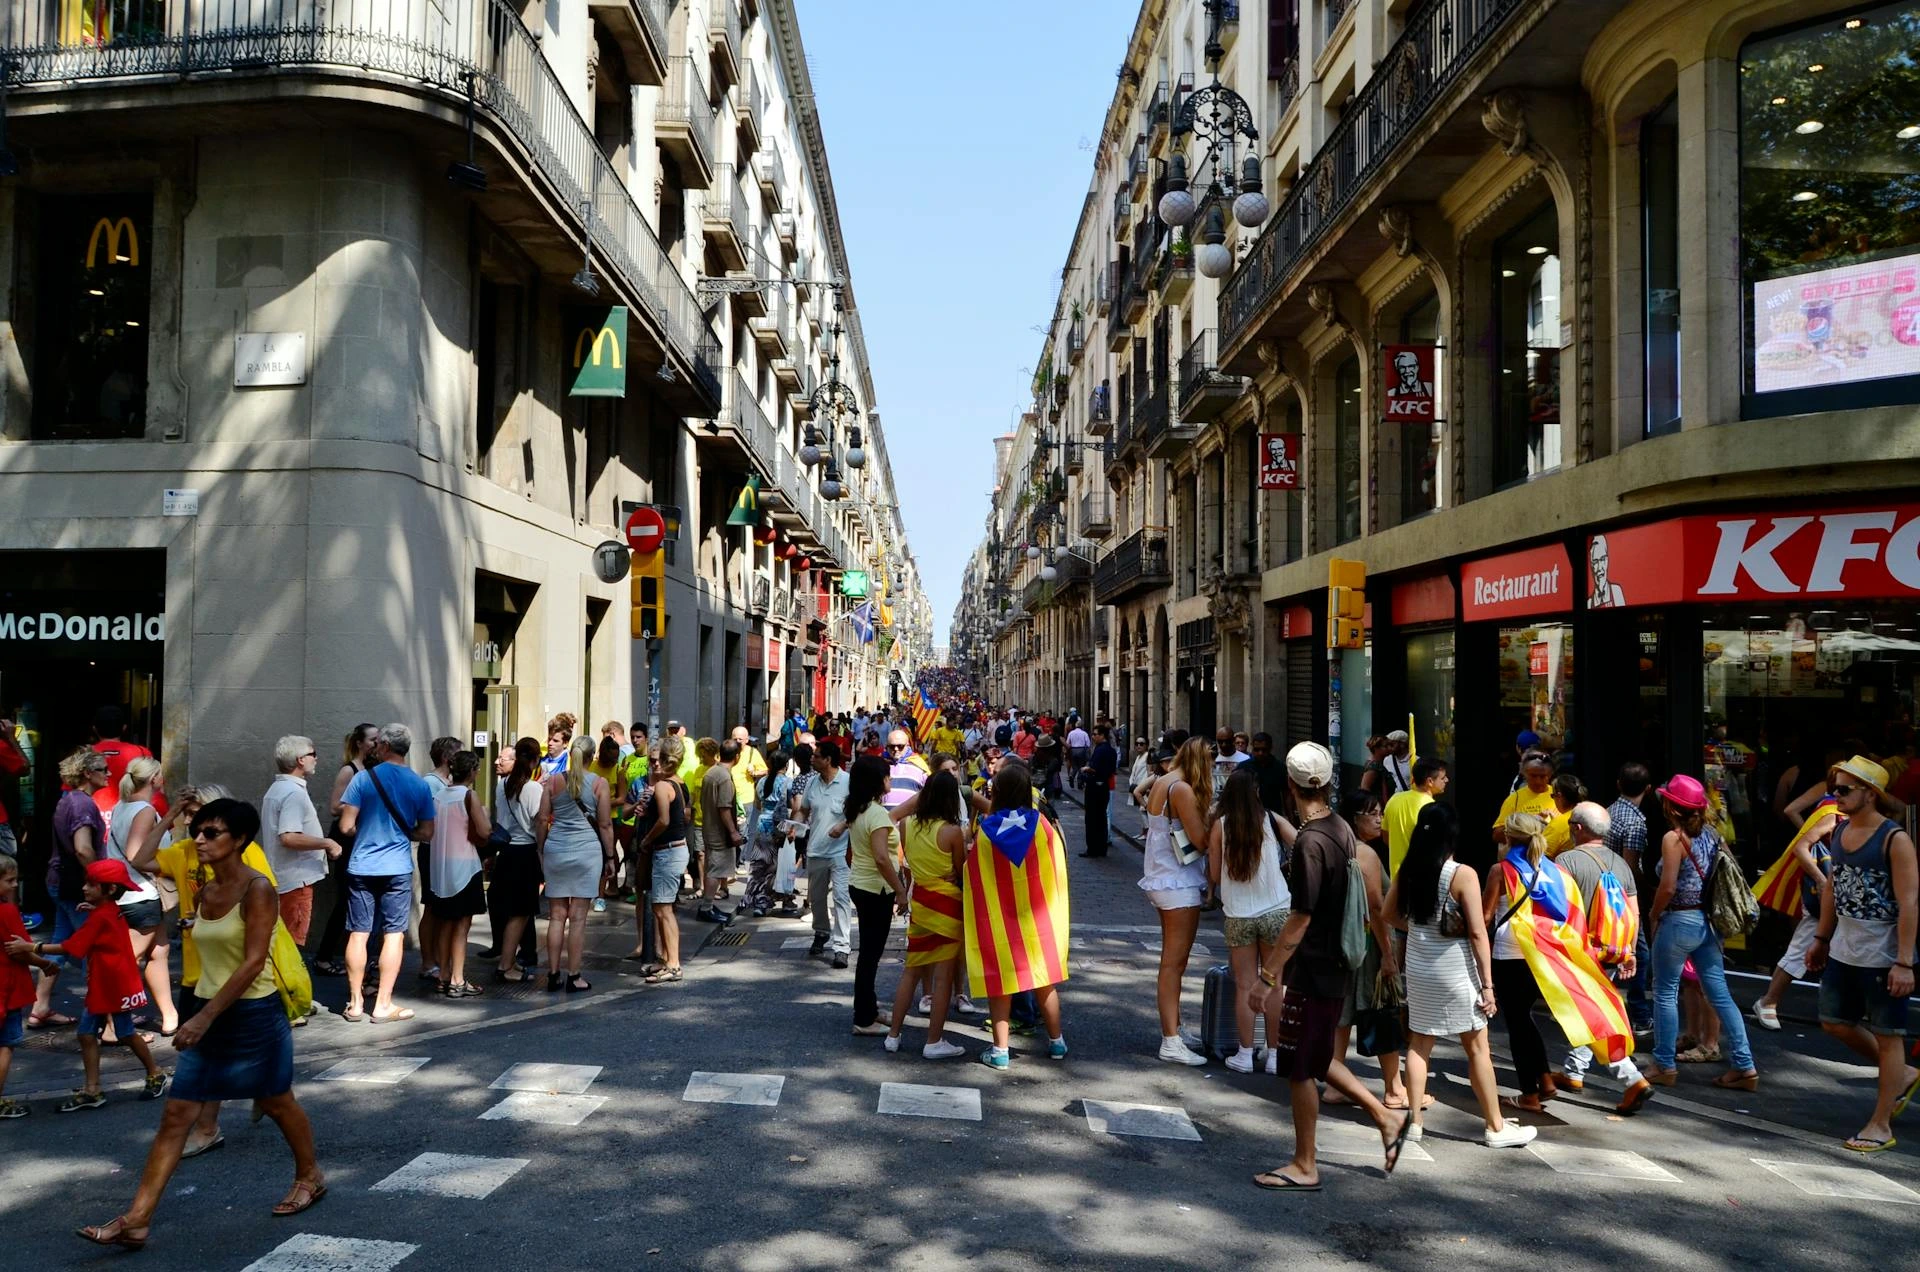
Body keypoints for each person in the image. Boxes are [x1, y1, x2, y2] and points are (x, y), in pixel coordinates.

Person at [69, 800, 326, 1251]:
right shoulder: (206, 889)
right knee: (176, 1115)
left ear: (239, 840)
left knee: (276, 1101)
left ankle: (310, 1175)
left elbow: (253, 962)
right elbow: (148, 868)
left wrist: (204, 1017)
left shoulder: (257, 889)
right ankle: (137, 1219)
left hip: (252, 1014)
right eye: (198, 832)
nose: (200, 840)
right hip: (208, 1009)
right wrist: (199, 1009)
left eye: (211, 833)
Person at [1249, 742, 1409, 1191]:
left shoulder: (1310, 841)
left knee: (1300, 1067)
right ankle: (1384, 1117)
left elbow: (1300, 918)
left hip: (1315, 967)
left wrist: (1267, 977)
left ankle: (1305, 1164)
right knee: (1317, 1054)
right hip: (1334, 963)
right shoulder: (1338, 826)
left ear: (1290, 784)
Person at [1383, 803, 1533, 1146]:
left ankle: (1415, 1123)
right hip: (1455, 968)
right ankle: (1495, 1126)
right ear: (1451, 836)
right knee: (1478, 1048)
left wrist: (1418, 929)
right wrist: (1488, 985)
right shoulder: (1462, 874)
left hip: (1419, 967)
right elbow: (1478, 933)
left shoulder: (1408, 869)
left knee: (1419, 1044)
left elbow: (1388, 913)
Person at [1804, 756, 1918, 1153]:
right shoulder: (1840, 830)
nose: (1835, 796)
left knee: (1889, 1036)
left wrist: (1904, 962)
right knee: (1834, 1022)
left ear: (1870, 794)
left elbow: (1910, 902)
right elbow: (1832, 888)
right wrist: (1821, 938)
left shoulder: (1894, 840)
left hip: (1883, 954)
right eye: (1833, 788)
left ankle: (1880, 1124)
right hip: (1844, 949)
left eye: (1843, 789)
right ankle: (1902, 1074)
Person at [13, 858, 170, 1113]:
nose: (84, 888)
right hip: (109, 985)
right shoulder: (109, 910)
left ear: (109, 889)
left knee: (123, 1033)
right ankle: (93, 1088)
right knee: (89, 1034)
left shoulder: (101, 917)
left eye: (92, 884)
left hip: (112, 987)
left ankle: (153, 1072)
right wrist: (94, 908)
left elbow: (70, 946)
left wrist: (31, 946)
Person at [1644, 774, 1758, 1091]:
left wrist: (1654, 914)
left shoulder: (1674, 839)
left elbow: (1668, 887)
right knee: (1719, 994)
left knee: (1665, 992)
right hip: (1709, 923)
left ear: (1671, 807)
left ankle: (1663, 1064)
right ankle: (1745, 1066)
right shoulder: (1712, 835)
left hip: (1679, 920)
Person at [965, 763, 1069, 1070]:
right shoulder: (1042, 826)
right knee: (1045, 982)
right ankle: (1057, 1042)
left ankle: (1000, 1051)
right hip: (1038, 920)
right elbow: (1056, 867)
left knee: (1001, 985)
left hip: (1001, 922)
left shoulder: (986, 831)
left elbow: (975, 875)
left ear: (997, 792)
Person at [1550, 801, 1653, 1114]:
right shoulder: (1621, 864)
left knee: (1594, 1017)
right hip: (1611, 952)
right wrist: (1630, 951)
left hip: (1580, 952)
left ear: (1578, 828)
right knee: (1589, 1012)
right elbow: (1633, 913)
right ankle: (1573, 1071)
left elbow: (1557, 908)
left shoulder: (1566, 860)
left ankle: (1632, 1079)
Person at [336, 724, 435, 1024]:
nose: (375, 747)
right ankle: (382, 1004)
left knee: (359, 932)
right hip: (397, 867)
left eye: (379, 743)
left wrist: (364, 831)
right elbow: (427, 832)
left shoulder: (363, 779)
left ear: (386, 746)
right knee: (394, 934)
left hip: (362, 865)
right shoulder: (419, 785)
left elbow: (345, 826)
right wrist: (405, 833)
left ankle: (355, 1003)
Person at [1327, 790, 1408, 1110]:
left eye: (1380, 813)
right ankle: (1394, 1088)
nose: (1379, 819)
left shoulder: (1335, 847)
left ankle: (1335, 1084)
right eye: (1372, 814)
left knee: (1343, 1014)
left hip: (1342, 942)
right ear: (1354, 818)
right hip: (1370, 945)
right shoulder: (1366, 854)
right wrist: (1388, 954)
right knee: (1383, 1009)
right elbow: (1375, 908)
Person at [1208, 769, 1294, 1073]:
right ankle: (1274, 1056)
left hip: (1239, 914)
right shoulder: (1271, 819)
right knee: (1274, 984)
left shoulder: (1220, 826)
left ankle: (1244, 1055)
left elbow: (1215, 875)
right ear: (1255, 791)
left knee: (1244, 985)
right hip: (1276, 911)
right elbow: (1302, 843)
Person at [1142, 737, 1215, 1066]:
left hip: (1163, 877)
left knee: (1174, 961)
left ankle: (1176, 1029)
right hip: (1177, 880)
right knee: (1173, 963)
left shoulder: (1164, 781)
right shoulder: (1182, 788)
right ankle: (1170, 1040)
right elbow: (1200, 840)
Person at [887, 769, 969, 1059]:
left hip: (920, 901)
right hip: (947, 905)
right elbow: (961, 871)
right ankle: (934, 1041)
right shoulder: (953, 832)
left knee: (911, 970)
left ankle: (893, 1035)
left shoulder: (907, 825)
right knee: (943, 978)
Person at [30, 747, 110, 1029]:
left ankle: (40, 1007)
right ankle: (106, 1019)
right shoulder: (82, 804)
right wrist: (100, 880)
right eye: (103, 769)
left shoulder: (70, 799)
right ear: (87, 773)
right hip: (75, 885)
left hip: (62, 882)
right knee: (95, 949)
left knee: (60, 944)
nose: (109, 773)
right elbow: (83, 848)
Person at [104, 756, 177, 1036]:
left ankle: (169, 1015)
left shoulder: (122, 806)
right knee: (127, 961)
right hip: (140, 894)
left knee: (159, 951)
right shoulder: (144, 810)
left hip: (134, 893)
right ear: (154, 779)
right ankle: (111, 1025)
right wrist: (170, 869)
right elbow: (136, 856)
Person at [538, 736, 612, 993]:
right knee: (578, 918)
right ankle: (574, 975)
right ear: (592, 756)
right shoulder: (600, 784)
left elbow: (542, 819)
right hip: (587, 852)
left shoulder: (553, 781)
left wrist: (541, 849)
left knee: (556, 916)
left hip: (556, 849)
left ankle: (553, 974)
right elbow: (605, 824)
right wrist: (610, 857)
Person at [839, 756, 906, 1037]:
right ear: (877, 781)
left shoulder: (859, 808)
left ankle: (869, 1008)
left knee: (869, 953)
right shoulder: (875, 813)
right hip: (875, 889)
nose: (890, 780)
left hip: (862, 884)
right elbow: (881, 857)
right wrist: (900, 890)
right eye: (887, 776)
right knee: (870, 955)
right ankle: (864, 1017)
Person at [258, 737, 340, 954]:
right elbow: (289, 837)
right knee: (291, 944)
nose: (316, 759)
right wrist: (327, 843)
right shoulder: (293, 793)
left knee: (282, 941)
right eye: (313, 754)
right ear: (300, 760)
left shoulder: (278, 789)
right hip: (295, 880)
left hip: (284, 877)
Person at [312, 723, 379, 977]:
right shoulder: (349, 770)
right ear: (360, 743)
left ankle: (362, 955)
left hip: (365, 838)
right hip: (349, 841)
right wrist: (361, 802)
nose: (377, 744)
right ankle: (324, 956)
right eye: (372, 739)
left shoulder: (374, 769)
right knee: (345, 901)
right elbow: (334, 807)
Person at [426, 752, 489, 998]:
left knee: (444, 923)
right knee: (462, 927)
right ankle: (458, 979)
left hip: (440, 867)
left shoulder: (438, 796)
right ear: (472, 771)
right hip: (465, 866)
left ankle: (443, 975)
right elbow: (484, 830)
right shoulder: (468, 795)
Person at [632, 737, 690, 984]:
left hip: (668, 851)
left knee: (664, 909)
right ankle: (667, 959)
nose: (653, 764)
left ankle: (673, 964)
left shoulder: (663, 786)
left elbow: (665, 820)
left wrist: (647, 839)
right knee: (662, 907)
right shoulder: (679, 783)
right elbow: (681, 816)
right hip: (675, 850)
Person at [1, 852, 51, 1118]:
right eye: (9, 880)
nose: (14, 886)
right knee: (5, 1044)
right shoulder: (7, 911)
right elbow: (21, 949)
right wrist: (46, 964)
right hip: (6, 989)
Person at [491, 738, 545, 984]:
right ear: (534, 761)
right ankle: (506, 965)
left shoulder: (501, 785)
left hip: (506, 851)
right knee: (520, 913)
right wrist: (543, 850)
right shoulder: (533, 789)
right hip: (525, 852)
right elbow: (539, 822)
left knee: (511, 910)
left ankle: (508, 961)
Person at [1607, 762, 1656, 1033]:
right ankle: (1639, 1013)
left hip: (1603, 891)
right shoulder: (1635, 822)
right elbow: (1630, 866)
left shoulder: (1608, 812)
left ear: (1618, 784)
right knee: (1640, 953)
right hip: (1623, 895)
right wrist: (1647, 891)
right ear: (1648, 789)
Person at [803, 742, 854, 969]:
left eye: (816, 756)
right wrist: (795, 825)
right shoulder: (812, 782)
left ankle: (842, 947)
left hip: (841, 852)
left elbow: (859, 811)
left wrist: (843, 825)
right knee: (816, 897)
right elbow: (803, 810)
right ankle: (821, 931)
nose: (812, 759)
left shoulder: (848, 782)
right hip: (815, 850)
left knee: (841, 898)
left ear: (828, 760)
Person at [744, 750, 794, 917]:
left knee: (762, 865)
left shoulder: (761, 781)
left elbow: (758, 805)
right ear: (786, 765)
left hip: (763, 824)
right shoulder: (788, 782)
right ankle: (786, 900)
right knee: (784, 864)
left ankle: (760, 902)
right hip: (781, 825)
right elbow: (793, 805)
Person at [698, 741, 744, 924]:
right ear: (737, 757)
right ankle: (706, 907)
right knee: (716, 871)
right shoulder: (724, 778)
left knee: (712, 867)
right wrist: (733, 832)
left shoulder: (711, 772)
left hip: (709, 828)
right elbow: (724, 808)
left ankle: (708, 906)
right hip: (719, 833)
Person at [1384, 758, 1447, 879]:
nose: (1446, 780)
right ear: (1430, 781)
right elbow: (1436, 848)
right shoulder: (1433, 810)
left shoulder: (1394, 799)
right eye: (1443, 778)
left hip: (1396, 877)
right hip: (1422, 878)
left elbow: (1386, 837)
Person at [585, 733, 626, 914]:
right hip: (590, 817)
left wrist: (603, 803)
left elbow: (622, 798)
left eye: (616, 757)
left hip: (611, 817)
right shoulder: (592, 767)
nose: (614, 761)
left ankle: (601, 894)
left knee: (605, 853)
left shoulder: (619, 771)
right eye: (611, 758)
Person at [1491, 753, 1556, 845]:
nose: (1538, 781)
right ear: (1525, 774)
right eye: (1533, 776)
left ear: (1550, 775)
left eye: (1542, 776)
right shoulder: (1514, 799)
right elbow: (1497, 835)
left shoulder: (1559, 795)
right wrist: (1528, 823)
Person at [1079, 724, 1118, 858]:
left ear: (1102, 735)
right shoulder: (1111, 750)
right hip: (1104, 786)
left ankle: (1093, 848)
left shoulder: (1100, 750)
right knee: (1101, 818)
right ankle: (1101, 848)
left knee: (1092, 818)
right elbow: (1111, 769)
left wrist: (1086, 769)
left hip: (1095, 786)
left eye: (1095, 734)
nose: (1093, 737)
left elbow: (1095, 768)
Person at [1241, 732, 1288, 815]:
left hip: (1273, 814)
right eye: (1257, 750)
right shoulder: (1243, 767)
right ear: (1252, 748)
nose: (1260, 753)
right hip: (1249, 814)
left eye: (1264, 750)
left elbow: (1286, 795)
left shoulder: (1280, 768)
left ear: (1270, 748)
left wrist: (1290, 817)